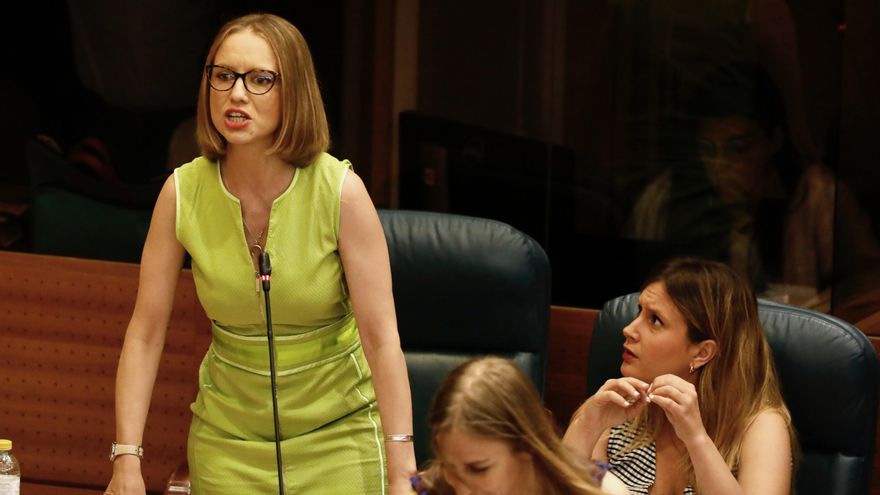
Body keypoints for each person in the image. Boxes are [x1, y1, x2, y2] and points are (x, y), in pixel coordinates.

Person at [104, 13, 416, 494]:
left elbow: (381, 340)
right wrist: (126, 459)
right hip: (228, 443)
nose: (237, 94)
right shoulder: (181, 193)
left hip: (338, 438)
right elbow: (145, 333)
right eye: (223, 75)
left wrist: (402, 473)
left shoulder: (341, 193)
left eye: (260, 79)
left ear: (295, 92)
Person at [563, 257, 795, 494]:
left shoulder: (759, 427)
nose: (629, 329)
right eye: (639, 312)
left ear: (702, 353)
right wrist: (586, 426)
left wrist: (696, 439)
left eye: (655, 320)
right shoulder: (615, 408)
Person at [413, 356, 620, 495]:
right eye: (449, 467)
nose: (461, 491)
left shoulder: (600, 489)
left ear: (525, 447)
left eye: (478, 469)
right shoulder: (432, 488)